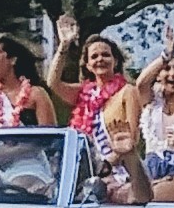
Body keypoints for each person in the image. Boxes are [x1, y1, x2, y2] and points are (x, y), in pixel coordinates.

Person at [106, 25, 174, 201]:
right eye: (166, 69)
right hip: (150, 170)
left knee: (147, 198)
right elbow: (141, 83)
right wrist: (166, 55)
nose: (172, 73)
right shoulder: (150, 101)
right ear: (157, 75)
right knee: (116, 196)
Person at [47, 10, 134, 155]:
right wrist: (64, 45)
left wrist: (110, 163)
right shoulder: (83, 92)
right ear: (88, 65)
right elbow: (53, 83)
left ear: (116, 61)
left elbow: (133, 137)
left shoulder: (127, 91)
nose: (100, 59)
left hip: (118, 165)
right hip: (86, 161)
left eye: (106, 55)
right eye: (94, 56)